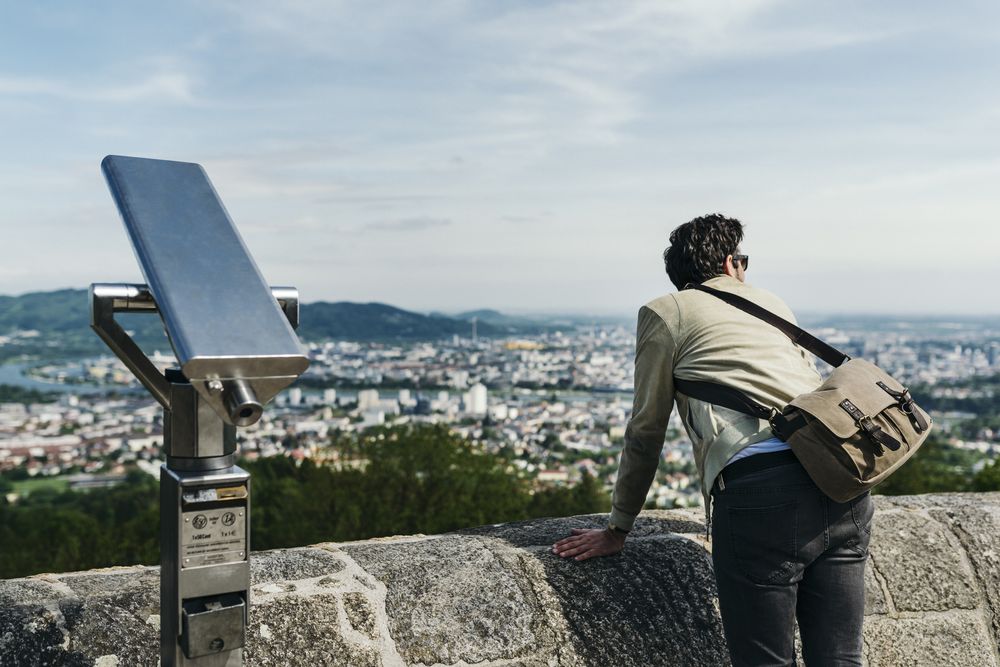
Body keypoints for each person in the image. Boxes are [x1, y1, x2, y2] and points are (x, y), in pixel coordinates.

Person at [552, 214, 872, 666]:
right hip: (842, 484)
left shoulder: (667, 312)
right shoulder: (772, 303)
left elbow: (646, 430)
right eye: (743, 260)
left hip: (761, 492)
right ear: (728, 263)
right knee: (840, 658)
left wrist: (618, 528)